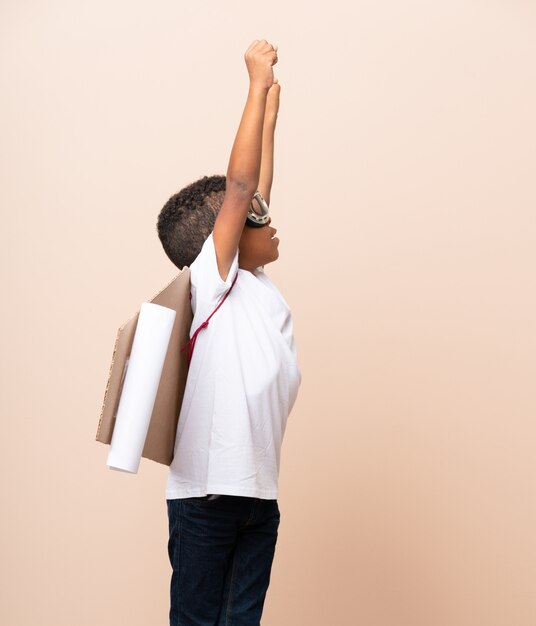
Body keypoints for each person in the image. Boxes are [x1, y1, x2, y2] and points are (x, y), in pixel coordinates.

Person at [156, 39, 301, 626]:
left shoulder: (256, 283)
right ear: (231, 234)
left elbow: (254, 188)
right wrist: (252, 82)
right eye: (254, 217)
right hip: (207, 497)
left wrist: (268, 109)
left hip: (257, 498)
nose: (270, 216)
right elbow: (241, 189)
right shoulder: (215, 284)